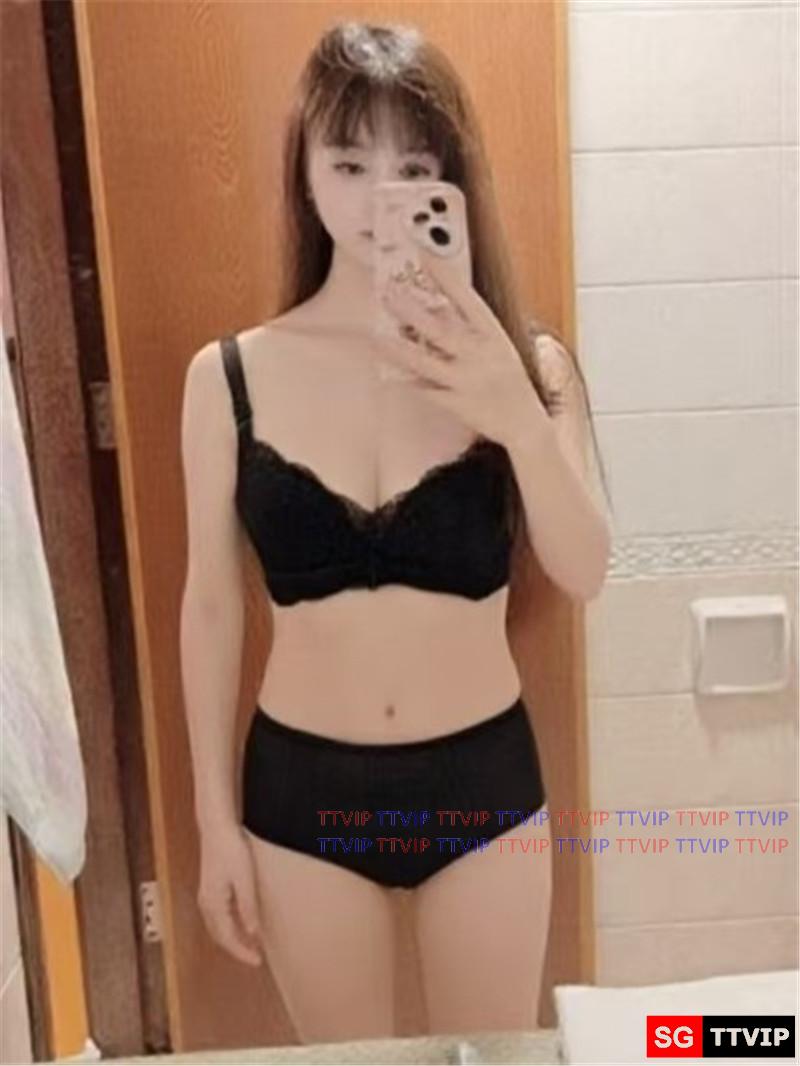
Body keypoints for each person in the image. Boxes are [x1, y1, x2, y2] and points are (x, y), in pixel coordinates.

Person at [180, 20, 612, 1045]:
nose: (381, 194)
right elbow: (209, 605)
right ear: (304, 172)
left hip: (480, 785)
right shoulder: (228, 377)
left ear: (450, 182)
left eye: (412, 168)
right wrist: (212, 823)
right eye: (349, 162)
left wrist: (511, 408)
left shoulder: (529, 364)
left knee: (492, 1059)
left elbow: (585, 568)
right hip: (303, 794)